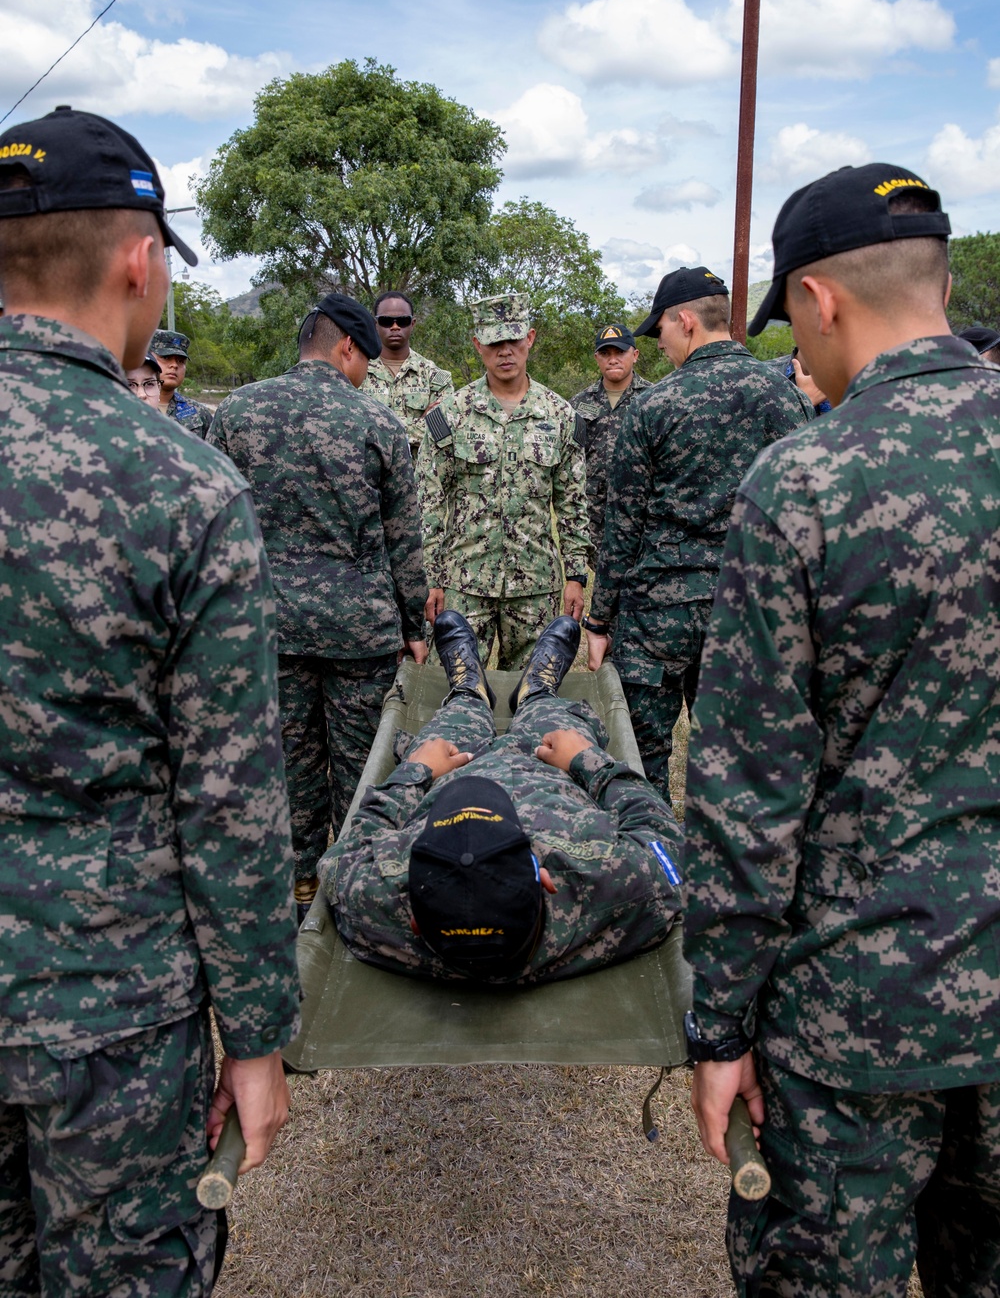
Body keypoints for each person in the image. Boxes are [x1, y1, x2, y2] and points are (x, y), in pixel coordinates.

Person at [683, 163, 1000, 1296]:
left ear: (818, 300)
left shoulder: (805, 482)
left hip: (861, 1008)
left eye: (793, 325)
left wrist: (718, 1029)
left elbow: (745, 797)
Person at [0, 105, 299, 1296]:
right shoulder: (180, 484)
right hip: (109, 1013)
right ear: (142, 260)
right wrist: (260, 1034)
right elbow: (230, 801)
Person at [208, 292, 429, 919]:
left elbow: (216, 523)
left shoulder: (239, 412)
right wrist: (415, 624)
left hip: (269, 623)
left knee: (286, 762)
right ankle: (357, 891)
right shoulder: (377, 422)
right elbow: (402, 539)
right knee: (363, 767)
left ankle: (300, 886)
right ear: (348, 348)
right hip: (358, 628)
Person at [319, 611, 683, 983]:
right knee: (551, 720)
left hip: (455, 766)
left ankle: (468, 691)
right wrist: (585, 760)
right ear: (546, 880)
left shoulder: (370, 900)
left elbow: (344, 856)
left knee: (456, 720)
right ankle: (537, 691)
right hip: (546, 766)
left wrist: (418, 769)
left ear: (410, 917)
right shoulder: (608, 882)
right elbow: (664, 836)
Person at [586, 267, 811, 798]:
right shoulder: (783, 399)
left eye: (658, 330)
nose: (658, 344)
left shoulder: (652, 406)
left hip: (657, 613)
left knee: (641, 762)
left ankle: (653, 864)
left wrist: (600, 618)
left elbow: (623, 527)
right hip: (747, 605)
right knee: (738, 761)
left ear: (685, 321)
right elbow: (803, 514)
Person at [418, 291, 591, 669]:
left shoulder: (561, 416)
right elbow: (428, 506)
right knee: (455, 693)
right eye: (495, 342)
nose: (505, 351)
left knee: (532, 698)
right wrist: (431, 579)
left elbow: (573, 505)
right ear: (478, 345)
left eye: (513, 340)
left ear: (529, 338)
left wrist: (576, 575)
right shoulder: (451, 415)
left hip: (536, 585)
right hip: (465, 585)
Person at [570, 323, 653, 567]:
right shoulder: (578, 403)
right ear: (597, 358)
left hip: (641, 513)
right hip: (593, 516)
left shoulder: (654, 399)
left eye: (620, 352)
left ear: (635, 355)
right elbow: (571, 461)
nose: (613, 359)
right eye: (606, 353)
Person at [360, 290, 454, 457]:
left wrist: (376, 430)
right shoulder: (357, 373)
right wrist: (420, 424)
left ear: (413, 323)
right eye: (386, 321)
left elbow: (441, 431)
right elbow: (351, 428)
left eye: (402, 321)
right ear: (375, 324)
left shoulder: (435, 377)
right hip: (371, 480)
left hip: (420, 478)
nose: (395, 327)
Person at [150, 327, 214, 437]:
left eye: (180, 361)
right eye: (166, 358)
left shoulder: (199, 413)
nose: (174, 365)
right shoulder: (131, 407)